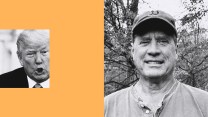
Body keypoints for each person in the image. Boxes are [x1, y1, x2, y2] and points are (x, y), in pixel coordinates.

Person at [104, 10, 208, 117]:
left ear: (176, 51)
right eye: (144, 42)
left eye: (163, 41)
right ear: (133, 52)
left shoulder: (204, 104)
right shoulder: (106, 108)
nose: (153, 50)